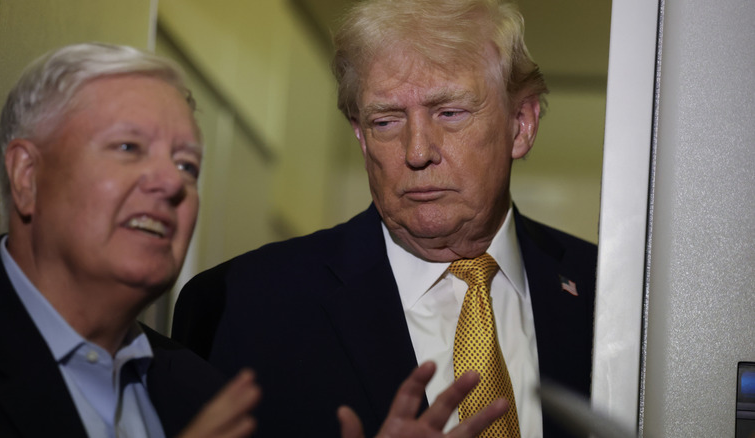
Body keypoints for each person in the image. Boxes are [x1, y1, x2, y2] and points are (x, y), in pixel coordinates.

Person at [0, 42, 508, 438]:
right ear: (27, 175)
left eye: (187, 164)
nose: (170, 183)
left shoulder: (201, 392)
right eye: (128, 147)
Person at [174, 0, 598, 437]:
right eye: (386, 120)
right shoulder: (242, 307)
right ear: (360, 137)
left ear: (521, 125)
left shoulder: (611, 296)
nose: (417, 152)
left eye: (449, 113)